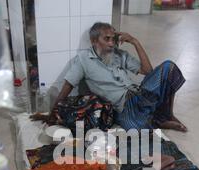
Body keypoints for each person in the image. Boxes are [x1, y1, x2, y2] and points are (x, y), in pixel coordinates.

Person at [49, 22, 188, 132]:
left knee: (168, 67)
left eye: (113, 39)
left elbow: (148, 71)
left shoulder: (119, 54)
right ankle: (158, 119)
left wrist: (135, 41)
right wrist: (53, 112)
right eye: (107, 39)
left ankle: (166, 115)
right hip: (122, 108)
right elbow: (67, 86)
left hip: (139, 95)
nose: (111, 43)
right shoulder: (83, 60)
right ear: (93, 40)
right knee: (139, 132)